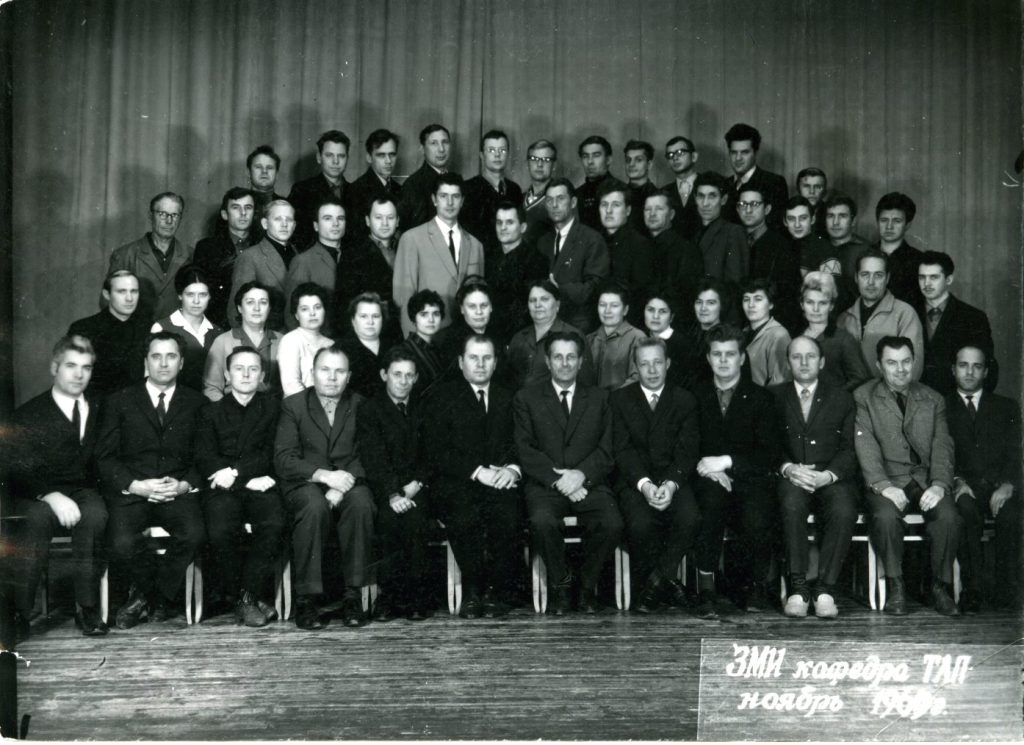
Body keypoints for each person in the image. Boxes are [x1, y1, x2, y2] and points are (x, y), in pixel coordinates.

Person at [96, 331, 206, 629]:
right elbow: (104, 458)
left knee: (195, 533)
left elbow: (204, 458)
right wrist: (135, 485)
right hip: (134, 492)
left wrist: (184, 485)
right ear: (146, 362)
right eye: (156, 356)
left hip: (176, 493)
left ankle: (147, 596)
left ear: (182, 363)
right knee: (120, 541)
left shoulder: (197, 403)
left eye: (171, 356)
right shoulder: (119, 400)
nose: (163, 364)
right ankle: (154, 596)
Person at [5, 335, 109, 639]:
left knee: (95, 515)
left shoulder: (100, 407)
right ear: (55, 368)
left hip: (83, 490)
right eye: (71, 366)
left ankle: (86, 607)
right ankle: (20, 612)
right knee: (35, 520)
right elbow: (13, 468)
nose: (79, 375)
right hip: (38, 493)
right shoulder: (29, 413)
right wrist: (50, 495)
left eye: (86, 368)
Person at [513, 331, 623, 614]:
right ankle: (562, 585)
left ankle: (585, 587)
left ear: (581, 361)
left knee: (612, 522)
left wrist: (581, 475)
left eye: (571, 357)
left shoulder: (599, 398)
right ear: (548, 361)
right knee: (541, 522)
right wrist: (559, 479)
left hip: (589, 484)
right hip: (546, 486)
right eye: (558, 357)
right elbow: (525, 449)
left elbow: (607, 450)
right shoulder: (527, 398)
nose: (565, 363)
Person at [855, 336, 959, 616]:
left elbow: (942, 445)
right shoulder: (864, 397)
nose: (900, 369)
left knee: (948, 516)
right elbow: (865, 447)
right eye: (892, 363)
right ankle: (896, 586)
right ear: (879, 366)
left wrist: (939, 485)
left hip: (925, 480)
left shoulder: (933, 399)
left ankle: (940, 587)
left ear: (914, 362)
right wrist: (883, 486)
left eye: (906, 362)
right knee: (885, 516)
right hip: (887, 481)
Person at [274, 345, 375, 630]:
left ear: (349, 376)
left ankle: (352, 595)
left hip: (349, 481)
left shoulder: (361, 404)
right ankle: (307, 599)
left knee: (362, 503)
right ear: (312, 373)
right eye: (325, 370)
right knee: (314, 507)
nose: (332, 377)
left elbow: (368, 454)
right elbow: (284, 458)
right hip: (305, 483)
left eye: (339, 371)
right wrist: (324, 477)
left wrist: (342, 485)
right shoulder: (293, 405)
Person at [424, 335, 522, 618]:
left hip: (500, 480)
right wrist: (478, 472)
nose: (480, 364)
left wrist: (512, 469)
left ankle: (495, 591)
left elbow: (521, 441)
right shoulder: (442, 396)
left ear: (496, 362)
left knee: (508, 513)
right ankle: (473, 589)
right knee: (464, 514)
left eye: (487, 358)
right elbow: (435, 449)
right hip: (458, 481)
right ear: (460, 362)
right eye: (473, 358)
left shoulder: (509, 396)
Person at [690, 325, 782, 617]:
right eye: (717, 354)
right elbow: (686, 443)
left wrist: (727, 461)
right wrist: (707, 468)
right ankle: (706, 588)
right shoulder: (695, 395)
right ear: (708, 358)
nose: (723, 360)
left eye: (730, 354)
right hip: (707, 477)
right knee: (710, 502)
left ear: (742, 358)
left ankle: (756, 585)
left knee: (757, 512)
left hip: (750, 478)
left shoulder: (761, 398)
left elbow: (769, 454)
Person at [194, 346, 284, 627]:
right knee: (220, 528)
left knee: (274, 523)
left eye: (253, 369)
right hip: (225, 489)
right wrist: (242, 479)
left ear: (262, 375)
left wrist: (236, 472)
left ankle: (245, 597)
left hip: (260, 485)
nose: (246, 375)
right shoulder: (210, 411)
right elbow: (204, 455)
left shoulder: (273, 409)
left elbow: (271, 452)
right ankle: (247, 598)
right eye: (239, 369)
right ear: (226, 374)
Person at [771, 336, 859, 618]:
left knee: (844, 509)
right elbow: (766, 445)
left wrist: (829, 475)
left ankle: (825, 589)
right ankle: (798, 587)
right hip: (792, 476)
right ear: (788, 363)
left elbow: (849, 448)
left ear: (821, 362)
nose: (804, 362)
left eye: (810, 356)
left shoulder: (842, 397)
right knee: (790, 504)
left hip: (830, 476)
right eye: (796, 357)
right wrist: (788, 468)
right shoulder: (773, 396)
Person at [610, 338, 700, 613]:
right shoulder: (620, 399)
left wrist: (670, 485)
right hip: (635, 481)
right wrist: (645, 485)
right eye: (644, 364)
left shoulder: (684, 399)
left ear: (668, 364)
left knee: (690, 517)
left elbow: (687, 451)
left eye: (657, 362)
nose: (652, 370)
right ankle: (668, 584)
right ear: (635, 367)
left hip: (674, 479)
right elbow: (622, 450)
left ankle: (656, 583)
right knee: (640, 524)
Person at [356, 347, 431, 621]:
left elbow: (432, 453)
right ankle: (388, 596)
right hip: (383, 488)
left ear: (416, 378)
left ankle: (415, 596)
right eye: (397, 374)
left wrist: (415, 485)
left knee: (416, 519)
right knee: (388, 520)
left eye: (409, 375)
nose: (403, 381)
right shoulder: (370, 409)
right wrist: (393, 493)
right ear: (384, 375)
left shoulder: (424, 407)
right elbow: (373, 456)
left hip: (418, 487)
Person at [947, 344, 1021, 612]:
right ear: (953, 369)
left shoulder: (1006, 407)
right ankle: (973, 590)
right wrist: (957, 480)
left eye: (977, 366)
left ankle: (1006, 591)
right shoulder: (939, 406)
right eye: (963, 365)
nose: (969, 372)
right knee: (965, 511)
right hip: (962, 486)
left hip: (998, 485)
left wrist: (1008, 484)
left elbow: (1016, 452)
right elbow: (936, 453)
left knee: (1011, 514)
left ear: (986, 372)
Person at [393, 172, 485, 337]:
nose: (449, 202)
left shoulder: (476, 245)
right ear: (434, 199)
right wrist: (413, 344)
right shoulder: (412, 239)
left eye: (455, 196)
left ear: (462, 201)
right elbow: (404, 299)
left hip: (466, 340)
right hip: (428, 338)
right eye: (443, 196)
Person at [535, 178, 611, 333]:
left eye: (560, 198)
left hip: (580, 328)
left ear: (573, 202)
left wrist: (559, 289)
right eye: (549, 200)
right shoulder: (542, 242)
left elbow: (594, 288)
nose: (554, 205)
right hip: (547, 326)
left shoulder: (592, 239)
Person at [916, 251, 996, 397]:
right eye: (922, 277)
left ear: (949, 279)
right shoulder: (907, 312)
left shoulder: (973, 317)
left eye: (934, 277)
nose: (926, 284)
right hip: (914, 399)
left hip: (954, 401)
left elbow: (986, 366)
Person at [837, 250, 924, 381]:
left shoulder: (905, 313)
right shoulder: (844, 318)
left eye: (878, 275)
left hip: (890, 393)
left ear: (887, 278)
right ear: (856, 277)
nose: (871, 282)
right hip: (851, 392)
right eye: (865, 274)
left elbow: (912, 369)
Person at [107, 192, 192, 322]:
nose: (169, 221)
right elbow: (110, 303)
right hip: (137, 332)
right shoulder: (125, 255)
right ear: (151, 215)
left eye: (174, 215)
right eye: (162, 214)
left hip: (178, 332)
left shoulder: (191, 255)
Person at [67, 270, 150, 400]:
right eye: (121, 291)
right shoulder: (84, 328)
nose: (129, 298)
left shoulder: (149, 328)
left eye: (134, 291)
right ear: (107, 294)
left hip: (138, 404)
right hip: (97, 405)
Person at [506, 279, 595, 389]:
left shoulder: (574, 336)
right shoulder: (518, 338)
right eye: (532, 300)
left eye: (544, 299)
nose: (537, 305)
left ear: (557, 305)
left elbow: (586, 385)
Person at [335, 197, 402, 340]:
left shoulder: (405, 247)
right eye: (378, 217)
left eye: (390, 217)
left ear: (397, 221)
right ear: (367, 221)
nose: (385, 223)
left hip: (401, 331)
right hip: (369, 334)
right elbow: (345, 304)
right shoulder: (353, 254)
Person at [203, 281, 282, 402]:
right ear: (240, 308)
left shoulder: (283, 341)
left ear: (269, 308)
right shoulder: (222, 341)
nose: (257, 308)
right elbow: (211, 388)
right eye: (250, 302)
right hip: (232, 410)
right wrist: (227, 410)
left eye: (263, 302)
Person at [192, 187, 259, 327]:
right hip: (218, 325)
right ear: (224, 214)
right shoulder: (207, 248)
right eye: (236, 207)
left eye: (248, 207)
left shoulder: (262, 246)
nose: (243, 213)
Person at [228, 199, 298, 330]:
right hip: (267, 336)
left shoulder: (299, 256)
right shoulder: (250, 257)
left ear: (294, 225)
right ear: (265, 223)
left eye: (288, 220)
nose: (284, 224)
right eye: (278, 219)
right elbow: (235, 311)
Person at [738, 186, 802, 331]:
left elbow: (788, 297)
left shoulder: (782, 246)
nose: (748, 210)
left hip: (769, 327)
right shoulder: (733, 241)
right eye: (743, 204)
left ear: (767, 209)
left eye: (755, 204)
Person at [150, 266, 220, 392]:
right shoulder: (161, 328)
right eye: (190, 294)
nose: (196, 301)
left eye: (203, 295)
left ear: (209, 296)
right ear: (180, 295)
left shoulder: (218, 332)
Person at [484, 201, 548, 340]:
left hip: (521, 337)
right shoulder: (489, 257)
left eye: (510, 222)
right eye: (499, 222)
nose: (503, 228)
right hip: (490, 333)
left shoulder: (536, 260)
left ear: (523, 227)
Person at [797, 272, 872, 391]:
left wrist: (833, 396)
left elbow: (860, 378)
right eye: (810, 302)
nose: (815, 309)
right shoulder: (797, 338)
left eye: (822, 303)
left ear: (831, 306)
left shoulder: (844, 339)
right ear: (802, 304)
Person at [597, 178, 655, 324]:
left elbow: (642, 297)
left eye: (616, 205)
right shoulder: (592, 241)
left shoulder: (641, 245)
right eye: (604, 205)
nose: (608, 211)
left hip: (628, 324)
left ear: (628, 210)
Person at [283, 198, 345, 331]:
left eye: (340, 218)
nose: (335, 223)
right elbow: (291, 313)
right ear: (316, 226)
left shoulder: (354, 257)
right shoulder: (303, 261)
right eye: (328, 218)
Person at [287, 129, 353, 251]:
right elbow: (295, 235)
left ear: (347, 158)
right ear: (319, 157)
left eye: (341, 156)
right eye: (329, 155)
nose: (335, 161)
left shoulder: (357, 192)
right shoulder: (302, 190)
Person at [435, 279, 506, 383]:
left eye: (484, 305)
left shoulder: (498, 335)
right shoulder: (450, 340)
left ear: (491, 307)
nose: (479, 312)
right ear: (462, 309)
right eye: (472, 306)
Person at [461, 129, 523, 245]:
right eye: (491, 150)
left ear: (508, 154)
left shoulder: (514, 189)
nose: (497, 155)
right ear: (481, 155)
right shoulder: (468, 188)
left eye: (502, 150)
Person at [644, 191, 704, 310]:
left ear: (671, 214)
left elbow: (686, 296)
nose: (652, 214)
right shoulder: (642, 246)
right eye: (647, 209)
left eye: (659, 209)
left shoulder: (686, 249)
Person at [723, 123, 787, 230]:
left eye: (744, 152)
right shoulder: (724, 184)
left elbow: (776, 227)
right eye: (734, 152)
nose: (738, 158)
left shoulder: (774, 182)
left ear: (755, 153)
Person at [337, 292, 398, 400]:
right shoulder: (340, 350)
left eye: (375, 316)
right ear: (353, 320)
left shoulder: (394, 348)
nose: (370, 322)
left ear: (383, 319)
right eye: (363, 316)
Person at [277, 283, 334, 397]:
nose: (312, 313)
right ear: (296, 315)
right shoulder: (290, 340)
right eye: (304, 309)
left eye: (317, 307)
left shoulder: (332, 344)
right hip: (298, 405)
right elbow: (291, 386)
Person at [587, 284, 646, 390]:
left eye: (614, 306)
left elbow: (638, 377)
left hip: (622, 398)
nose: (607, 311)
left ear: (625, 310)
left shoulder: (637, 337)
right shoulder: (589, 339)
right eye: (602, 305)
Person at [348, 129, 402, 242]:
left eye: (392, 154)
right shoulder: (355, 190)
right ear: (369, 157)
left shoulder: (400, 189)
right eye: (381, 155)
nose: (388, 161)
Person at [693, 171, 748, 284]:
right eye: (701, 196)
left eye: (712, 196)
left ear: (723, 200)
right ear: (695, 199)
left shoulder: (733, 232)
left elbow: (735, 283)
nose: (705, 203)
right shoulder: (695, 234)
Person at [675, 278, 729, 390]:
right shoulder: (688, 333)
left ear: (722, 306)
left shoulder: (726, 338)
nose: (703, 308)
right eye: (699, 302)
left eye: (711, 303)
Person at [398, 123, 451, 230]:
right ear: (422, 149)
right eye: (434, 143)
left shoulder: (454, 180)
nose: (441, 149)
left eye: (445, 142)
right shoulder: (413, 184)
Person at [874, 192, 923, 306]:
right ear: (877, 222)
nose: (889, 226)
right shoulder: (863, 255)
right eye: (884, 220)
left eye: (897, 221)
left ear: (907, 225)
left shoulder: (919, 260)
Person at [741, 278, 791, 386]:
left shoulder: (779, 335)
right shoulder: (743, 332)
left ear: (771, 304)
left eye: (758, 299)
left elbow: (780, 383)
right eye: (746, 299)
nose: (751, 305)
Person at [400, 289, 447, 398]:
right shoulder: (405, 351)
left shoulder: (437, 349)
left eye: (436, 314)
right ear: (414, 319)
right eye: (424, 314)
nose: (431, 320)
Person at [783, 196, 841, 278]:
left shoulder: (825, 249)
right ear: (785, 222)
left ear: (813, 219)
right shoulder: (780, 247)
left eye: (803, 218)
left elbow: (831, 284)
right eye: (791, 219)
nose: (797, 224)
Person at [642, 290, 689, 390]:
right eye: (651, 310)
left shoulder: (682, 345)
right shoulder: (639, 337)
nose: (655, 316)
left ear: (671, 317)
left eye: (662, 311)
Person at [661, 135, 701, 240]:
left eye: (680, 152)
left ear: (694, 157)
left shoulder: (709, 185)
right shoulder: (663, 192)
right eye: (670, 155)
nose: (675, 158)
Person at [823, 192, 869, 284]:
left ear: (853, 221)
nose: (835, 222)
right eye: (831, 216)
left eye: (842, 216)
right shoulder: (817, 247)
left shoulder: (867, 250)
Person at [521, 139, 557, 247]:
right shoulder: (519, 198)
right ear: (527, 163)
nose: (539, 164)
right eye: (534, 159)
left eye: (546, 159)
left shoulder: (559, 200)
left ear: (554, 165)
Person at [576, 135, 615, 231]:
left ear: (608, 160)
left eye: (596, 155)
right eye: (585, 156)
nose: (590, 161)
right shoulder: (576, 194)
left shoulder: (622, 191)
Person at [623, 139, 659, 234]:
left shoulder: (658, 196)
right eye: (628, 160)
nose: (631, 164)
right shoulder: (619, 194)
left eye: (638, 160)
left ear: (649, 165)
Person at [246, 145, 285, 216]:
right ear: (249, 173)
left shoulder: (286, 205)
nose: (264, 171)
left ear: (277, 174)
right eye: (258, 167)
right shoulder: (236, 203)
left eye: (269, 168)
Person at [795, 166, 828, 235]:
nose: (812, 191)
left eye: (817, 187)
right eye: (806, 186)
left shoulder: (830, 213)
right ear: (798, 189)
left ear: (824, 191)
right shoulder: (788, 212)